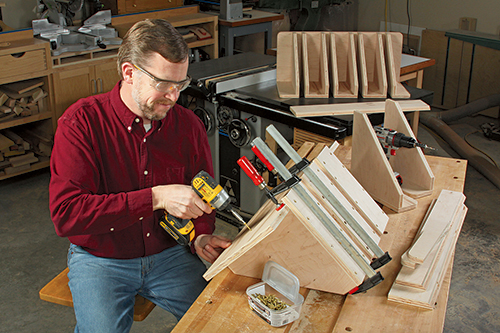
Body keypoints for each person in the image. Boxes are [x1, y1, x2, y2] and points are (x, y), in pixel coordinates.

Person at [49, 18, 231, 332]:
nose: (174, 97)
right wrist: (156, 197)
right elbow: (68, 215)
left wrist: (200, 233)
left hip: (169, 254)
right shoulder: (81, 124)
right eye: (163, 84)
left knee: (221, 323)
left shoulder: (188, 126)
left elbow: (203, 195)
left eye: (181, 84)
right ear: (130, 73)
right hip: (102, 258)